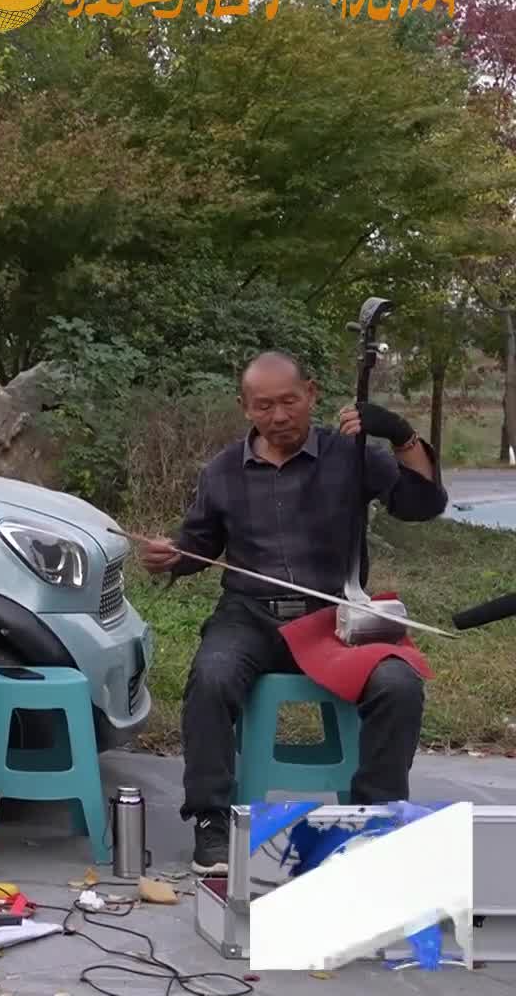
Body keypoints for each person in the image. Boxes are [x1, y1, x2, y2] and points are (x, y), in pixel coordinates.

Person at [139, 351, 446, 876]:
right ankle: (213, 821)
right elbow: (198, 545)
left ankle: (373, 818)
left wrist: (400, 435)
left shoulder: (349, 455)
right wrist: (169, 556)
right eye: (263, 406)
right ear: (245, 407)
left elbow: (424, 503)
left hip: (335, 615)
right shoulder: (221, 472)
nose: (278, 416)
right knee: (211, 677)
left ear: (312, 393)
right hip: (250, 615)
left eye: (288, 401)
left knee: (398, 683)